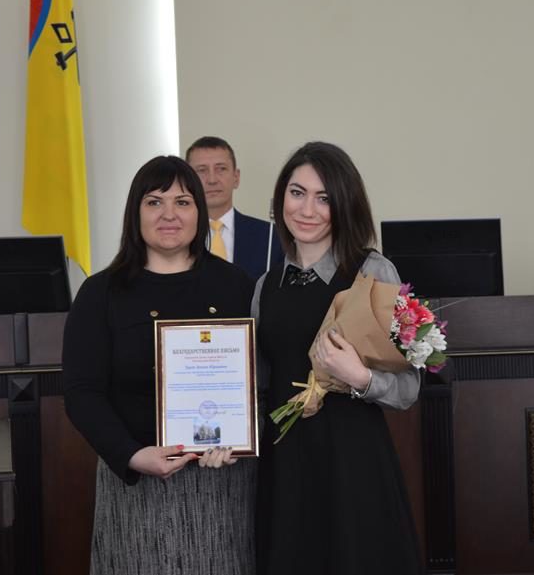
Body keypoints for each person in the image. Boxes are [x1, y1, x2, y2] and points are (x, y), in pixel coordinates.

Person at [63, 155, 257, 575]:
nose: (169, 214)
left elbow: (259, 377)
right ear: (135, 213)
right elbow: (81, 393)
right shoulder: (101, 293)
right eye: (154, 202)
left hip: (221, 484)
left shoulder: (236, 285)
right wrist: (132, 455)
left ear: (199, 213)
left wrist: (239, 437)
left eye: (183, 202)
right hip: (136, 483)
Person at [253, 142, 422, 575]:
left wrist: (360, 377)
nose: (307, 209)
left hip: (353, 462)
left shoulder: (373, 271)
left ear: (343, 204)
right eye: (297, 193)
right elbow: (256, 386)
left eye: (323, 198)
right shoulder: (264, 286)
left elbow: (410, 387)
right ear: (281, 198)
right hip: (285, 465)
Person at [186, 136, 283, 281]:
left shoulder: (272, 237)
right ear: (188, 180)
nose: (212, 180)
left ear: (236, 177)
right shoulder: (176, 237)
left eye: (221, 169)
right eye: (201, 170)